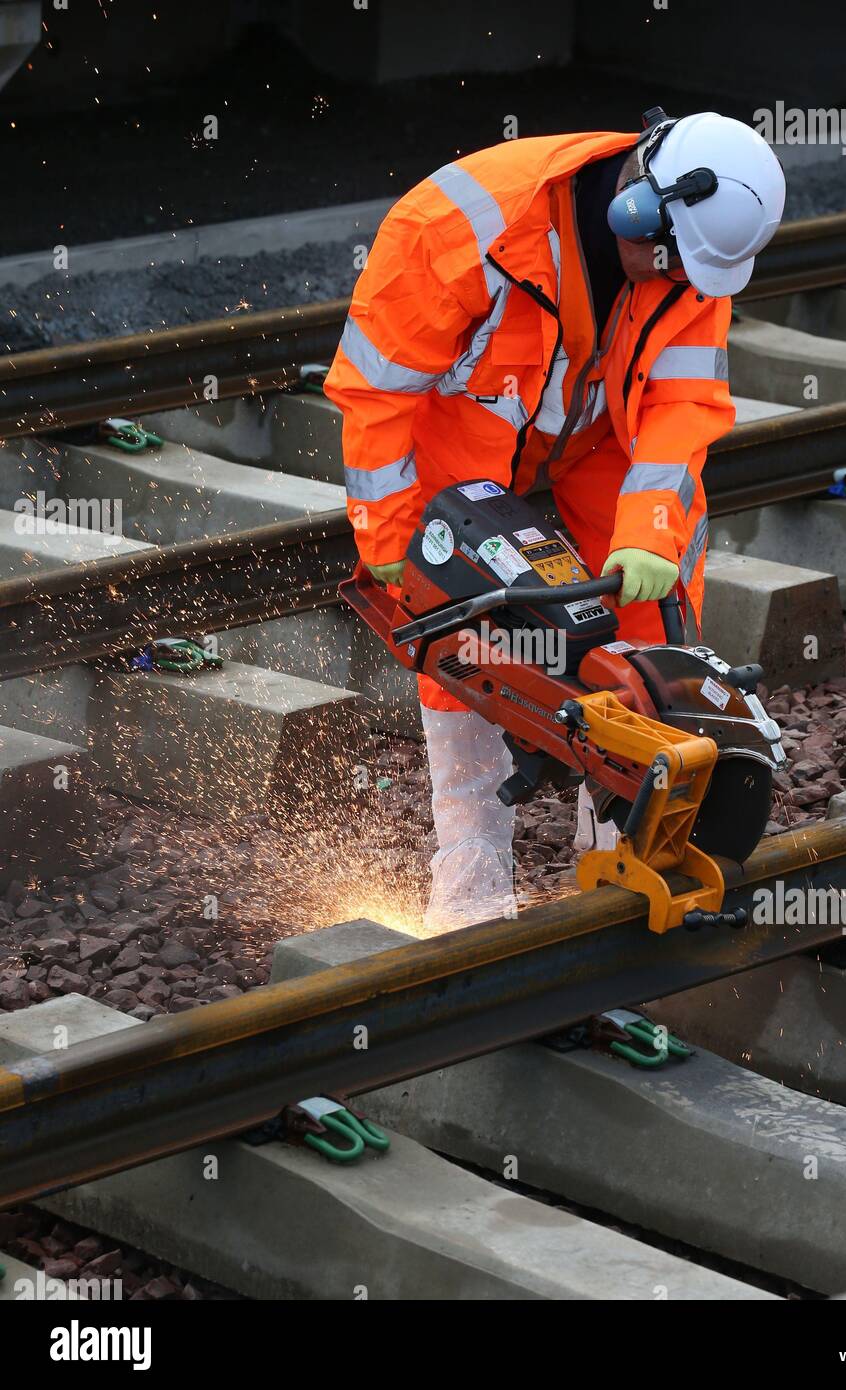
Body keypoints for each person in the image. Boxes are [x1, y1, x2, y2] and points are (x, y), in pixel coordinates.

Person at [324, 110, 786, 930]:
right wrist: (389, 536)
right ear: (637, 211)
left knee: (653, 610)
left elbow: (685, 402)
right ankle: (469, 886)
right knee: (466, 638)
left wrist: (647, 525)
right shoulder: (456, 227)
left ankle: (621, 848)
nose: (681, 285)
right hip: (465, 442)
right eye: (674, 266)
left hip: (598, 432)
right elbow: (374, 391)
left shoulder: (693, 256)